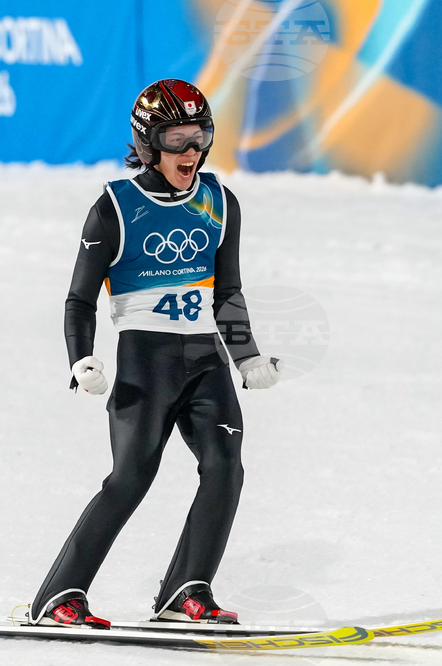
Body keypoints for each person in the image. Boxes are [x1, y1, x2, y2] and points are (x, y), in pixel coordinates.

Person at [28, 79, 281, 629]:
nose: (190, 152)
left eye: (200, 137)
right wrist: (82, 359)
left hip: (205, 359)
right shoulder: (114, 208)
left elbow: (228, 292)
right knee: (131, 477)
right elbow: (79, 298)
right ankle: (58, 595)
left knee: (225, 468)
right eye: (176, 139)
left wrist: (247, 357)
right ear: (147, 142)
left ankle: (187, 587)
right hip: (148, 361)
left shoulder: (219, 201)